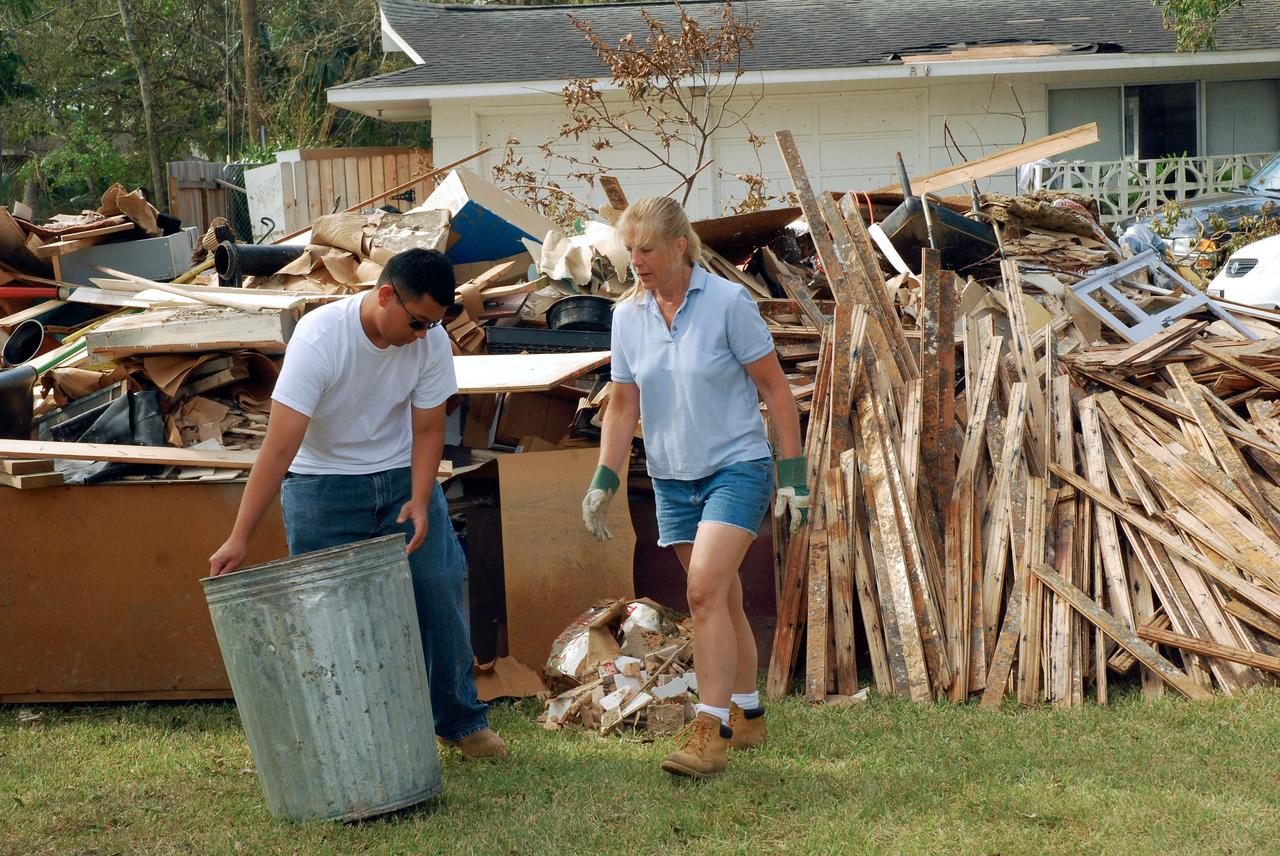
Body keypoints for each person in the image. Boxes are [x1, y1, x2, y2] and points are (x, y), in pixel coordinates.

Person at [209, 248, 507, 761]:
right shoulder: (321, 338)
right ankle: (343, 734)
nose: (422, 336)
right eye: (416, 323)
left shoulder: (430, 339)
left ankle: (459, 722)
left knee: (438, 591)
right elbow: (279, 447)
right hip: (321, 488)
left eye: (431, 326)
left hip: (399, 480)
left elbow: (430, 427)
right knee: (330, 618)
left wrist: (418, 499)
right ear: (385, 295)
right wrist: (240, 537)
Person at [582, 197, 807, 779]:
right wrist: (605, 477)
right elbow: (624, 402)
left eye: (648, 249)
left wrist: (793, 476)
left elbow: (776, 391)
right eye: (630, 250)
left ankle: (710, 729)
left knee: (703, 593)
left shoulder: (729, 303)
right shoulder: (627, 316)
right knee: (722, 599)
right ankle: (748, 713)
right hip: (671, 478)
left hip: (736, 468)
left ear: (681, 246)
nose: (637, 261)